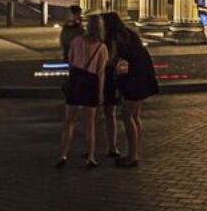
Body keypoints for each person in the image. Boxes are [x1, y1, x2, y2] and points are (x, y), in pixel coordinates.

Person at [100, 12, 156, 168]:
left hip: (135, 79)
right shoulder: (128, 34)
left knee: (127, 116)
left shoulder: (116, 39)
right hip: (144, 77)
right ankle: (134, 152)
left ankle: (132, 156)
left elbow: (111, 61)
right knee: (135, 116)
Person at [58, 14, 112, 169]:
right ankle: (91, 157)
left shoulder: (76, 41)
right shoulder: (102, 47)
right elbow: (101, 72)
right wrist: (100, 93)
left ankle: (63, 154)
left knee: (69, 122)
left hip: (76, 80)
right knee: (90, 124)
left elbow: (70, 62)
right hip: (91, 83)